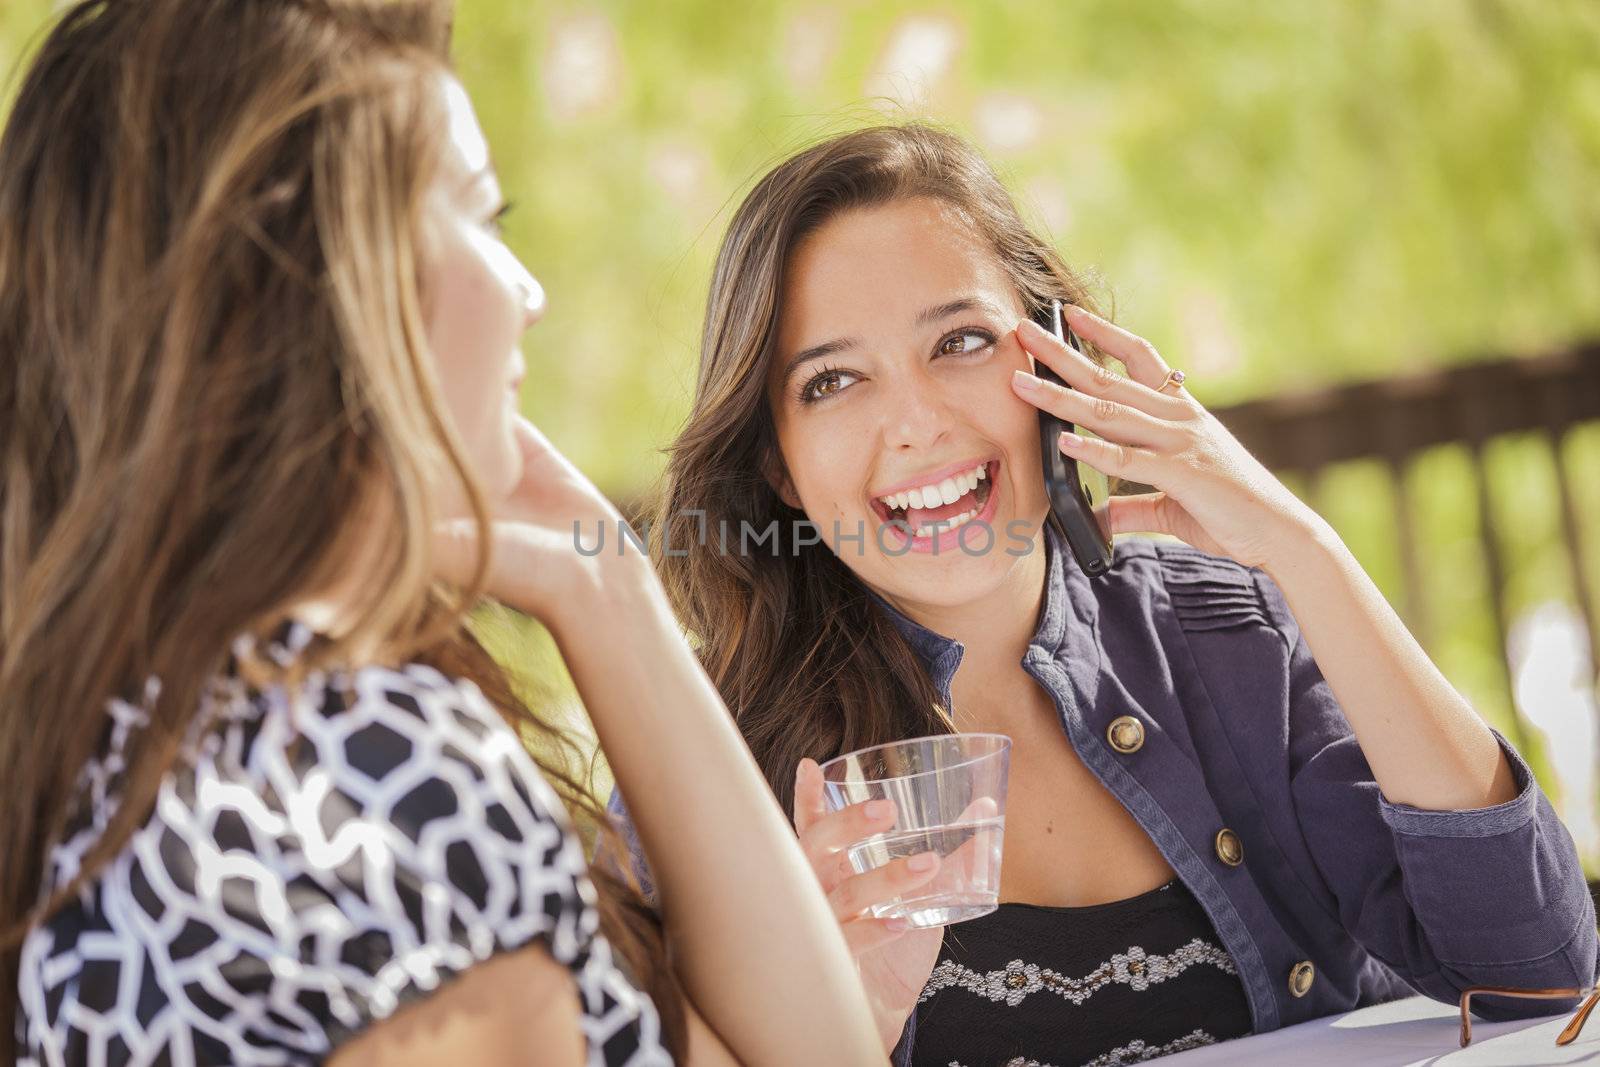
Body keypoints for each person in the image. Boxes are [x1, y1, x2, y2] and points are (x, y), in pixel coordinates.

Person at [0, 2, 886, 1064]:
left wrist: (607, 594)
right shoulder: (387, 780)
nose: (530, 294)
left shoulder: (117, 729)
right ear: (330, 290)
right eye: (485, 216)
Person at [608, 124, 1599, 1065]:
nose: (913, 422)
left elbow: (1539, 977)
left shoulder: (1220, 631)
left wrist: (1304, 552)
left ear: (1057, 359)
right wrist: (839, 1021)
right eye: (831, 381)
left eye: (958, 341)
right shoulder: (700, 775)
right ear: (776, 465)